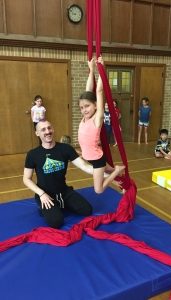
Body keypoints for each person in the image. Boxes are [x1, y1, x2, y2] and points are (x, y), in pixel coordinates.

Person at [23, 120, 99, 229]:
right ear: (37, 133)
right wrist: (41, 194)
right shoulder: (33, 154)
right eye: (43, 129)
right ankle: (47, 206)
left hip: (64, 191)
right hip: (46, 194)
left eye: (49, 128)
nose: (47, 131)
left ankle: (61, 204)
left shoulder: (65, 148)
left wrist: (107, 174)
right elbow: (26, 179)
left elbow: (85, 166)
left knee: (87, 210)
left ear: (53, 129)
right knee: (56, 222)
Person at [78, 56, 125, 194]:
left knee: (98, 190)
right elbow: (88, 91)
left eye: (87, 106)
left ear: (95, 106)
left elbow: (98, 92)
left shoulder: (96, 119)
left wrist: (101, 70)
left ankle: (117, 171)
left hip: (97, 159)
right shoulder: (85, 117)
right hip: (90, 157)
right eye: (81, 107)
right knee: (108, 171)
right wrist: (91, 70)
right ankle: (120, 179)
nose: (84, 110)